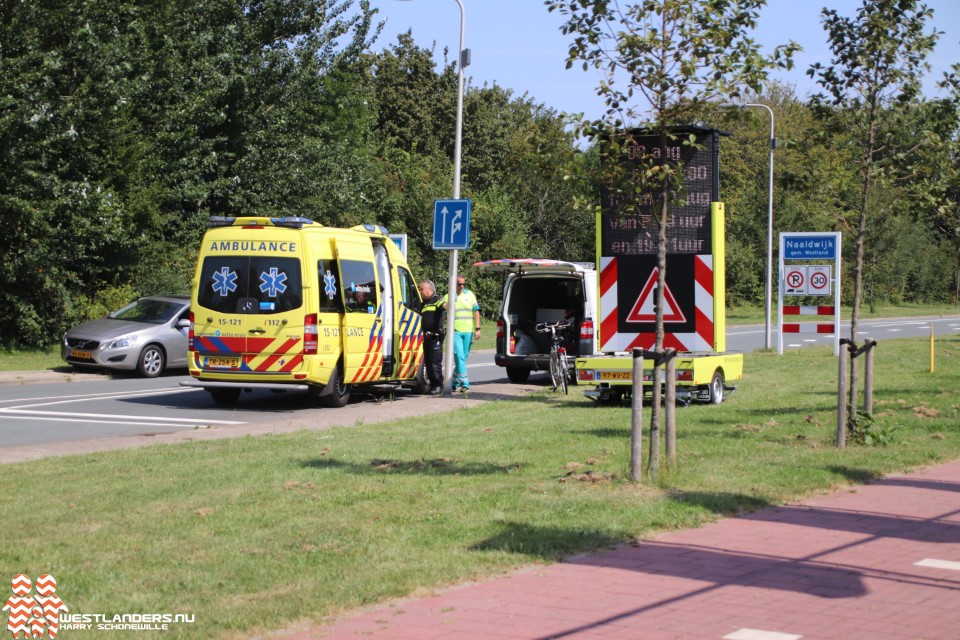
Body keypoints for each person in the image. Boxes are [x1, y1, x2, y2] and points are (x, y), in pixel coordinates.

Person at [443, 274, 481, 392]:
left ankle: (454, 382)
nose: (462, 286)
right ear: (453, 284)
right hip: (455, 331)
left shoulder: (470, 295)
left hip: (468, 330)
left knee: (462, 358)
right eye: (459, 284)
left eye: (463, 284)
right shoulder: (448, 296)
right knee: (459, 356)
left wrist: (477, 328)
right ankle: (465, 383)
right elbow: (444, 315)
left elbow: (476, 312)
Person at [418, 279, 444, 394]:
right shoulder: (424, 304)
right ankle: (433, 385)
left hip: (435, 337)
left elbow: (444, 305)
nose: (420, 292)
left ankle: (439, 385)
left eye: (422, 289)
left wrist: (449, 305)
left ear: (429, 289)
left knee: (435, 362)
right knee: (428, 363)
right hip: (427, 337)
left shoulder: (437, 300)